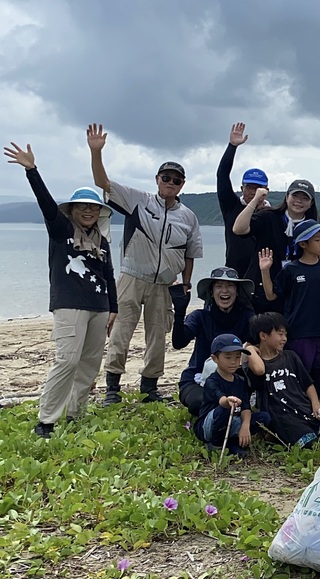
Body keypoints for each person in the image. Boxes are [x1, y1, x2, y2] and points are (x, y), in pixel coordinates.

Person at [5, 142, 117, 438]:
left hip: (99, 306)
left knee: (90, 364)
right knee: (66, 360)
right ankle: (46, 420)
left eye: (93, 207)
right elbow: (45, 202)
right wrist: (32, 170)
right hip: (69, 304)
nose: (89, 211)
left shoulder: (101, 241)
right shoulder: (61, 230)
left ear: (99, 212)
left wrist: (113, 308)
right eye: (83, 206)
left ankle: (76, 412)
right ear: (72, 210)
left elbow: (109, 275)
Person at [86, 123, 204, 405]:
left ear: (182, 185)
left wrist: (186, 283)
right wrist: (96, 152)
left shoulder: (188, 217)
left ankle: (149, 387)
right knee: (120, 331)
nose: (170, 183)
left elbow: (190, 253)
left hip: (164, 284)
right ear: (157, 179)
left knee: (157, 336)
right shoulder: (138, 200)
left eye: (176, 180)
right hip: (132, 277)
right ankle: (112, 388)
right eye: (166, 177)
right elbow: (103, 183)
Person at [259, 220, 320, 390]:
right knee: (300, 372)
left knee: (319, 371)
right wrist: (264, 271)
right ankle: (301, 405)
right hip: (299, 331)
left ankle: (317, 406)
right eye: (317, 240)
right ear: (303, 244)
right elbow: (271, 295)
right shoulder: (291, 270)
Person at [245, 313, 320, 448]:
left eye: (285, 335)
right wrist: (249, 348)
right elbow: (259, 370)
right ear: (263, 336)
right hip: (282, 417)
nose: (284, 339)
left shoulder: (290, 356)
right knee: (309, 444)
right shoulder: (256, 365)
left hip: (304, 409)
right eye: (280, 334)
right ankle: (274, 435)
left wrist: (316, 404)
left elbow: (308, 384)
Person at [172, 267, 255, 417]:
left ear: (237, 291)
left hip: (234, 380)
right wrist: (179, 312)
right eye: (219, 286)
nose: (225, 291)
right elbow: (179, 343)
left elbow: (257, 345)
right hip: (197, 379)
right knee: (200, 402)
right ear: (211, 292)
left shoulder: (248, 317)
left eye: (230, 286)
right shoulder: (200, 316)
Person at [232, 177, 320, 314]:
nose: (299, 201)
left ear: (311, 203)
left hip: (294, 293)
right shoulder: (268, 216)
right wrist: (255, 200)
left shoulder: (312, 228)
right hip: (259, 290)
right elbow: (238, 229)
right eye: (295, 195)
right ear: (286, 197)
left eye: (305, 198)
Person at [193, 334, 271, 457]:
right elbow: (221, 399)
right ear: (215, 359)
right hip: (210, 426)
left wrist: (245, 426)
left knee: (264, 418)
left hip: (233, 421)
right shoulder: (212, 381)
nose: (233, 362)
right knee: (226, 408)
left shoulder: (240, 381)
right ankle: (216, 443)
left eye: (237, 357)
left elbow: (245, 406)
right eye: (228, 357)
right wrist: (227, 401)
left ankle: (233, 441)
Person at [216, 122, 274, 275]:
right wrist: (232, 146)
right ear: (242, 188)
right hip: (233, 275)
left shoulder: (272, 214)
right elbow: (222, 175)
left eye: (258, 188)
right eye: (249, 187)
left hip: (263, 276)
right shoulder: (231, 206)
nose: (253, 192)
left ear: (266, 190)